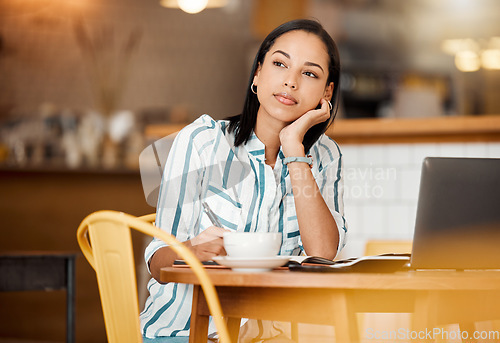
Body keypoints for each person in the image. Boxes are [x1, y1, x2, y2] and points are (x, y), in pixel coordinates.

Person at [140, 18, 347, 342]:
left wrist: (294, 150)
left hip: (268, 337)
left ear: (327, 92)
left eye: (309, 73)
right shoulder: (203, 141)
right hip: (184, 332)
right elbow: (157, 260)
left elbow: (322, 253)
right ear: (257, 73)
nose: (290, 81)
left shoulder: (325, 157)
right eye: (280, 63)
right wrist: (193, 250)